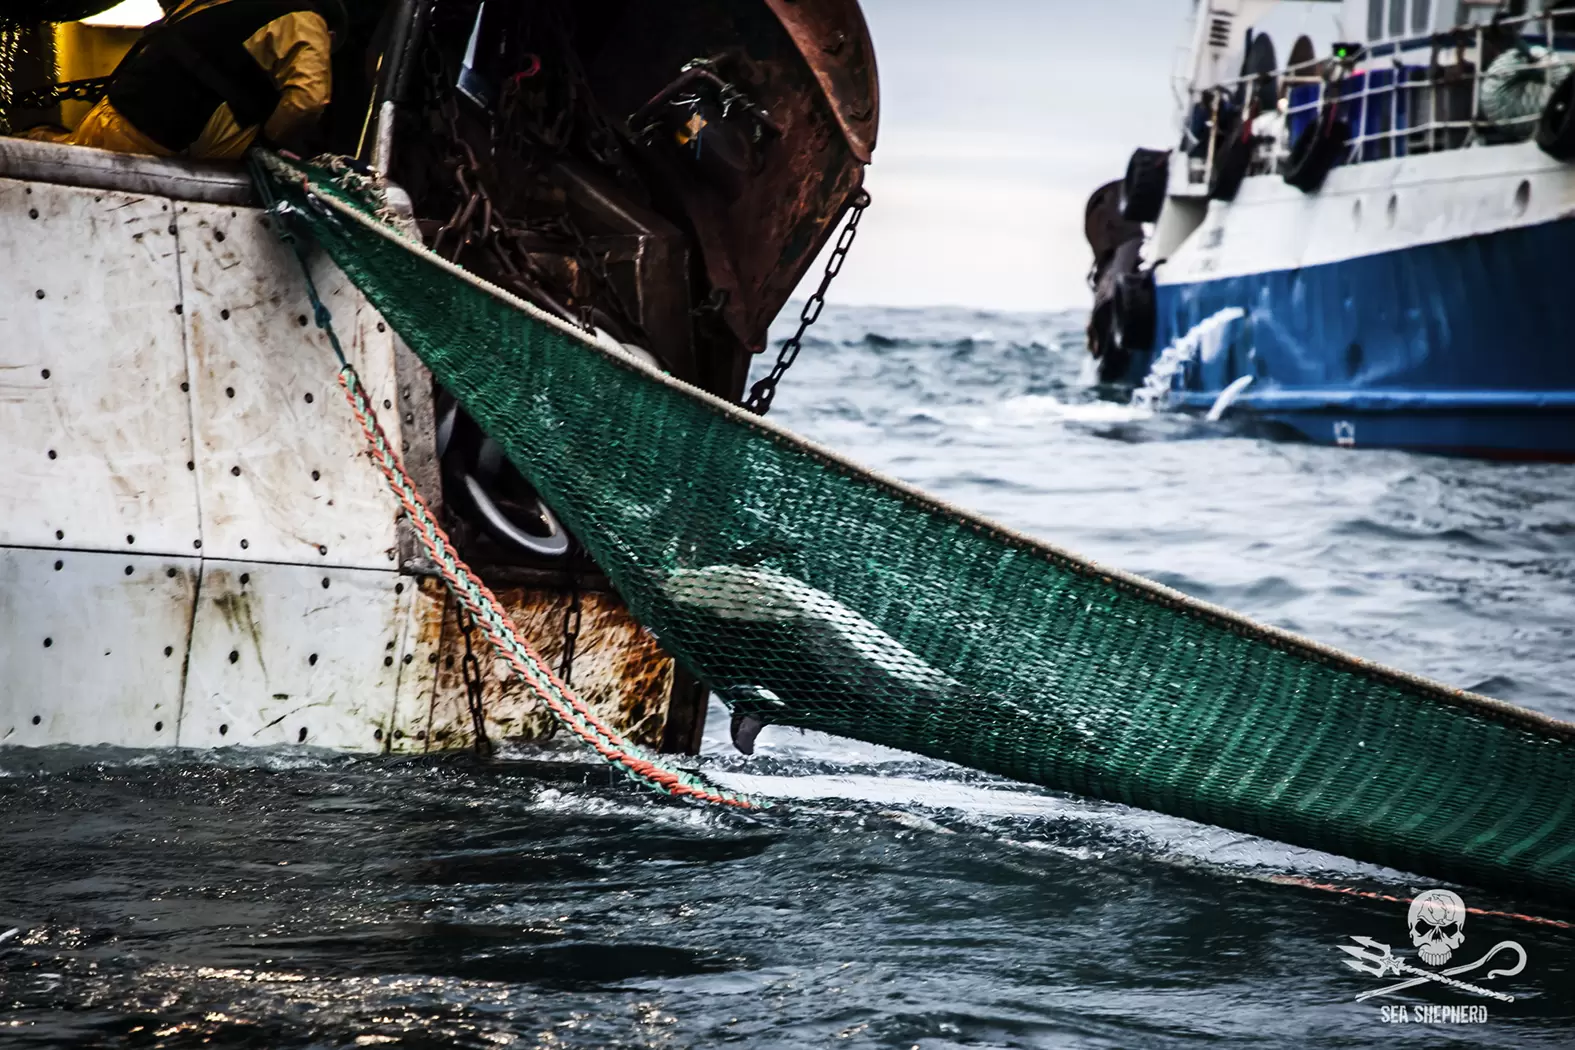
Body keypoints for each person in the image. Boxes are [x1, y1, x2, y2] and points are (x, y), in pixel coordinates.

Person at [57, 0, 343, 160]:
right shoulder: (306, 20)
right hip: (154, 147)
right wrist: (268, 144)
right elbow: (308, 100)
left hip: (109, 120)